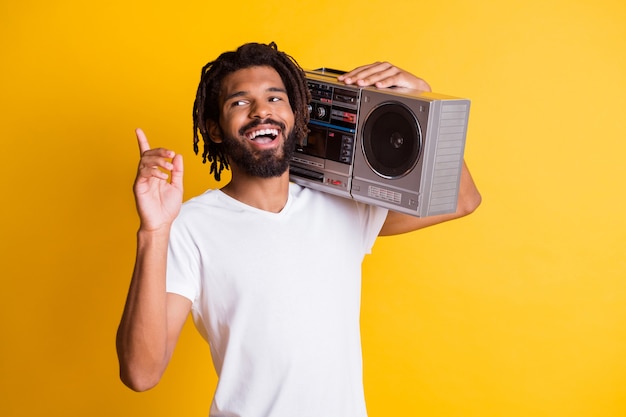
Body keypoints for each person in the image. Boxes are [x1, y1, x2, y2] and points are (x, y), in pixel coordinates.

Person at [116, 42, 481, 417]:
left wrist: (422, 104)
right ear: (215, 130)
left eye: (275, 98)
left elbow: (463, 198)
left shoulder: (343, 205)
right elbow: (141, 373)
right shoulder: (188, 227)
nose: (262, 110)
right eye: (240, 103)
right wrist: (153, 231)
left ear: (295, 116)